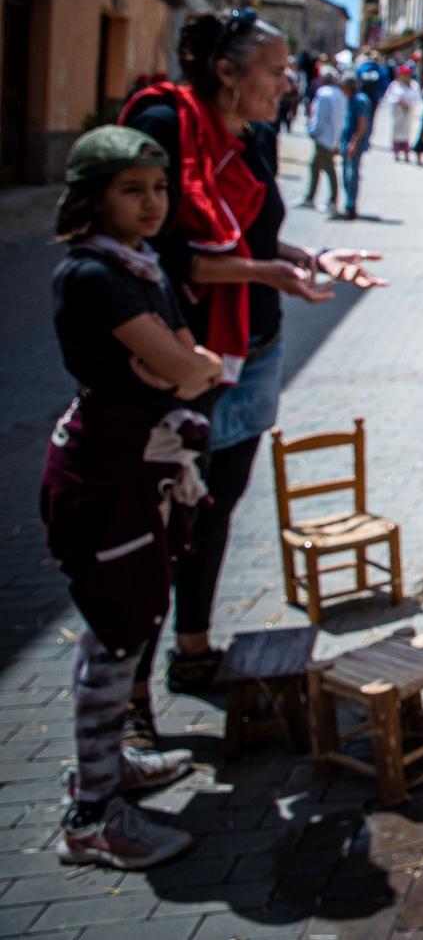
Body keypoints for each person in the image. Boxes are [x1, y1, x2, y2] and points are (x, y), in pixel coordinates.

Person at [121, 11, 387, 732]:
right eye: (273, 71)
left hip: (253, 349)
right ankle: (131, 700)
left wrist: (304, 259)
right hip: (185, 358)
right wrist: (264, 268)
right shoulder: (165, 129)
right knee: (160, 517)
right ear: (226, 73)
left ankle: (194, 644)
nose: (288, 82)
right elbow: (161, 256)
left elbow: (255, 237)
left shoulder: (256, 136)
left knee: (215, 504)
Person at [42, 127, 222, 869]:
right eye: (131, 189)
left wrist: (185, 366)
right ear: (93, 197)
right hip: (106, 475)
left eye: (158, 187)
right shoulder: (93, 274)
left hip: (142, 467)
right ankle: (91, 814)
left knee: (133, 619)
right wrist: (184, 366)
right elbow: (187, 364)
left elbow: (191, 362)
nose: (152, 203)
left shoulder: (137, 264)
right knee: (117, 629)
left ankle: (109, 765)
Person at [304, 65, 345, 212]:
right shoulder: (339, 94)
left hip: (323, 137)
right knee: (315, 166)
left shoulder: (324, 93)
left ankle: (332, 201)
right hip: (333, 136)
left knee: (328, 168)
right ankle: (310, 197)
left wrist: (313, 131)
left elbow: (320, 117)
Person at [338, 73, 373, 218]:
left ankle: (350, 206)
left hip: (354, 144)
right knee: (346, 175)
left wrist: (353, 143)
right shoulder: (351, 99)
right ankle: (348, 203)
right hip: (347, 141)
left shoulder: (360, 101)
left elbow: (362, 125)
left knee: (351, 175)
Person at [381, 65, 422, 162]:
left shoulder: (414, 85)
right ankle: (396, 152)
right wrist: (399, 102)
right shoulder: (395, 85)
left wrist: (409, 105)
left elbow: (417, 98)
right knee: (397, 131)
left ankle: (406, 152)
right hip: (398, 111)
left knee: (407, 132)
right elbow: (389, 97)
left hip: (408, 111)